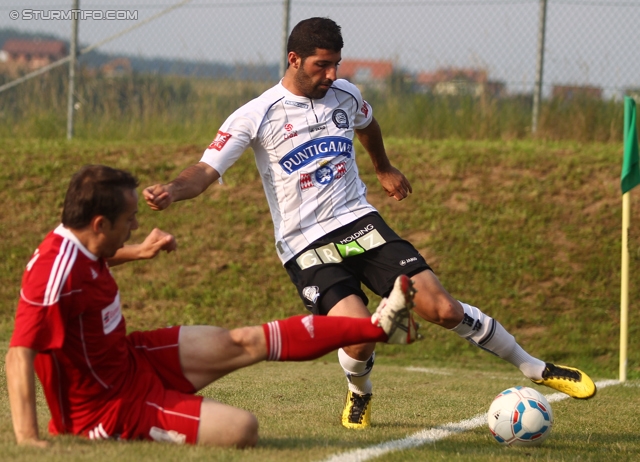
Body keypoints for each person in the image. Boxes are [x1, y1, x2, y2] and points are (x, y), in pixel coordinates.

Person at [143, 17, 597, 430]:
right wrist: (171, 190)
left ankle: (536, 367)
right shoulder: (255, 114)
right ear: (294, 59)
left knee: (444, 310)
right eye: (322, 65)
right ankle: (360, 393)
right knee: (358, 339)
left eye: (336, 64)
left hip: (361, 222)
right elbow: (205, 171)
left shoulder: (346, 95)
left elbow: (369, 125)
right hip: (307, 245)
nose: (332, 75)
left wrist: (383, 167)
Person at [5, 164, 420, 448]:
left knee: (240, 341)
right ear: (99, 223)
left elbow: (91, 260)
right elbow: (19, 353)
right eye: (129, 218)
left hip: (131, 360)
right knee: (243, 429)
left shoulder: (77, 242)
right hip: (108, 408)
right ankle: (377, 328)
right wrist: (28, 439)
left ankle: (377, 328)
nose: (134, 224)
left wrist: (138, 252)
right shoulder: (51, 274)